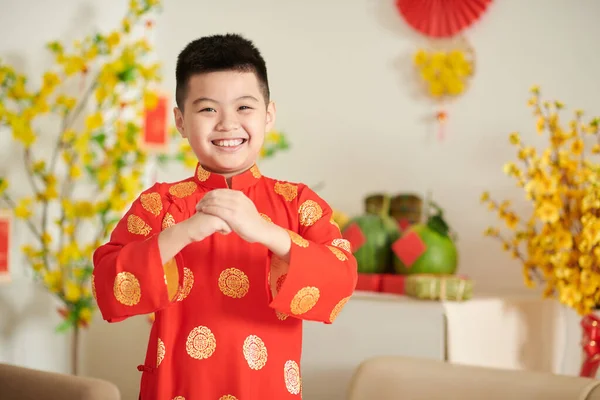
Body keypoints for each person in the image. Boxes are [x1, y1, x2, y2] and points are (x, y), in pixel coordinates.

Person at [92, 33, 358, 399]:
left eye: (244, 108)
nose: (227, 124)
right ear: (181, 122)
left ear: (269, 116)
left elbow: (341, 280)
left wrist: (265, 232)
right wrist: (185, 232)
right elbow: (108, 285)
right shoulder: (159, 204)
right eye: (207, 109)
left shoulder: (297, 202)